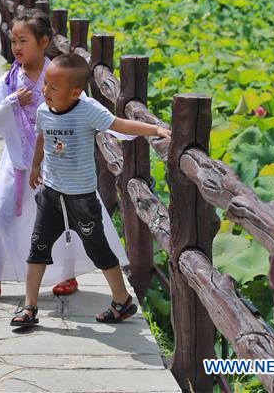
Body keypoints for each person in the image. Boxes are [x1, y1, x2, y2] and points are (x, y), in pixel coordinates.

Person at [10, 53, 172, 328]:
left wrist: (155, 129)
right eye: (46, 85)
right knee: (37, 248)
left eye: (53, 87)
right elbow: (41, 139)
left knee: (99, 251)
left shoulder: (87, 111)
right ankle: (29, 306)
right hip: (50, 194)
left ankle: (122, 301)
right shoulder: (42, 111)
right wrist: (35, 167)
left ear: (75, 92)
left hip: (82, 198)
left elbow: (120, 125)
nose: (46, 91)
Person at [0, 10, 110, 301]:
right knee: (3, 213)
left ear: (44, 42)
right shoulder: (10, 80)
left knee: (58, 218)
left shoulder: (58, 73)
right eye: (13, 41)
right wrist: (14, 102)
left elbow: (82, 105)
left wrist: (118, 128)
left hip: (53, 164)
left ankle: (66, 273)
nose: (16, 47)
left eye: (23, 40)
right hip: (16, 162)